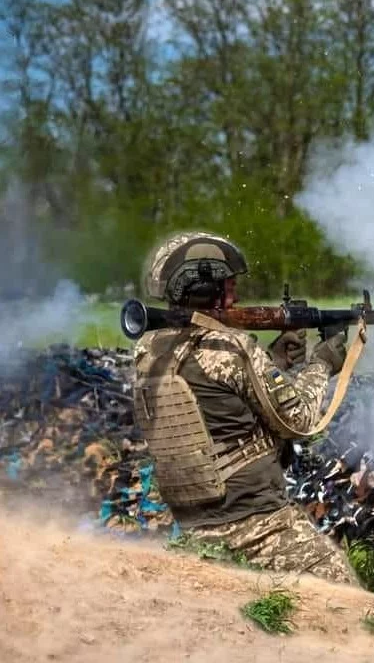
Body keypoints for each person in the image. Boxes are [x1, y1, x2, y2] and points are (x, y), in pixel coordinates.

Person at [131, 230, 357, 584]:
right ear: (205, 289)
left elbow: (216, 396)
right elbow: (299, 421)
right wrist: (322, 364)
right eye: (228, 286)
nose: (235, 296)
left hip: (196, 525)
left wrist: (273, 362)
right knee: (347, 603)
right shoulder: (232, 348)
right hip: (258, 525)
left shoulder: (149, 350)